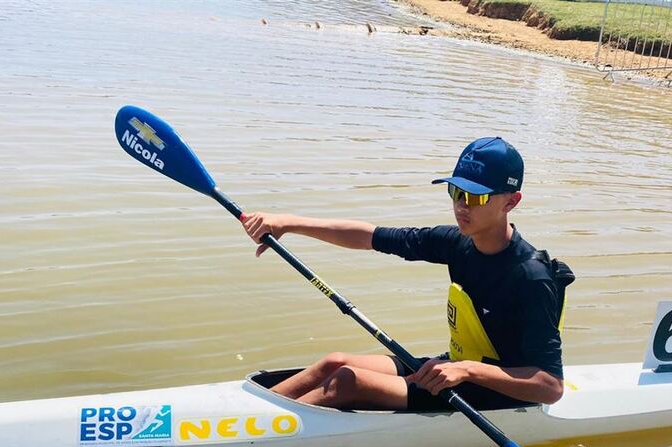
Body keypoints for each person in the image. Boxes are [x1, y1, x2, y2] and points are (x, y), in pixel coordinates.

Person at [240, 137, 572, 411]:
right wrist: (286, 223)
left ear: (511, 202)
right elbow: (369, 236)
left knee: (347, 380)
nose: (461, 206)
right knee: (334, 363)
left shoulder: (531, 277)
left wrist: (466, 370)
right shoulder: (455, 242)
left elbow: (550, 386)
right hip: (456, 369)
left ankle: (258, 439)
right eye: (455, 192)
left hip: (500, 392)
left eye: (475, 196)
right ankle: (248, 417)